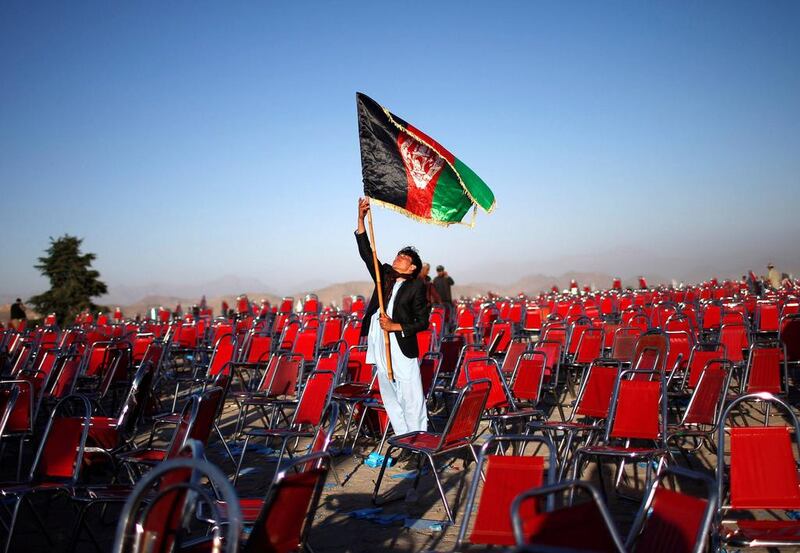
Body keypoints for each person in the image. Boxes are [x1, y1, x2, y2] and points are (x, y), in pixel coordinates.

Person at [355, 197, 430, 446]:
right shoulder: (384, 275)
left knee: (410, 395)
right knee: (389, 395)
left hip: (400, 343)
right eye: (398, 255)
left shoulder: (416, 287)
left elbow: (422, 322)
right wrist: (361, 220)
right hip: (379, 340)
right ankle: (403, 440)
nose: (397, 259)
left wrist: (395, 326)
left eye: (403, 258)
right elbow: (368, 254)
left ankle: (418, 440)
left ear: (412, 268)